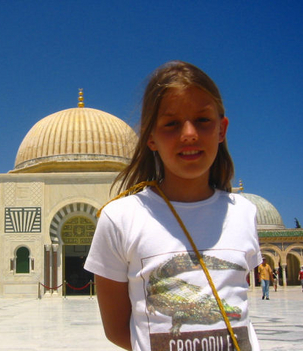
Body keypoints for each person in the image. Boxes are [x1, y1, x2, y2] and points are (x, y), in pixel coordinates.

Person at [84, 61, 262, 351]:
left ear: (221, 129)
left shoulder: (243, 212)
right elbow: (117, 331)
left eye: (203, 120)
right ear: (150, 136)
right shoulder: (120, 218)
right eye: (171, 123)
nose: (189, 134)